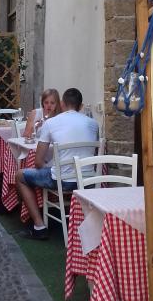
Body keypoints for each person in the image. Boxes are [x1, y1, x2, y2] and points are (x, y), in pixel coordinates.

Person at [15, 87, 99, 240]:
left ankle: (39, 226)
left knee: (20, 176)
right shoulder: (94, 124)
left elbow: (38, 162)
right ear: (81, 106)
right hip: (89, 180)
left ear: (62, 103)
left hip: (63, 181)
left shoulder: (51, 123)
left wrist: (52, 168)